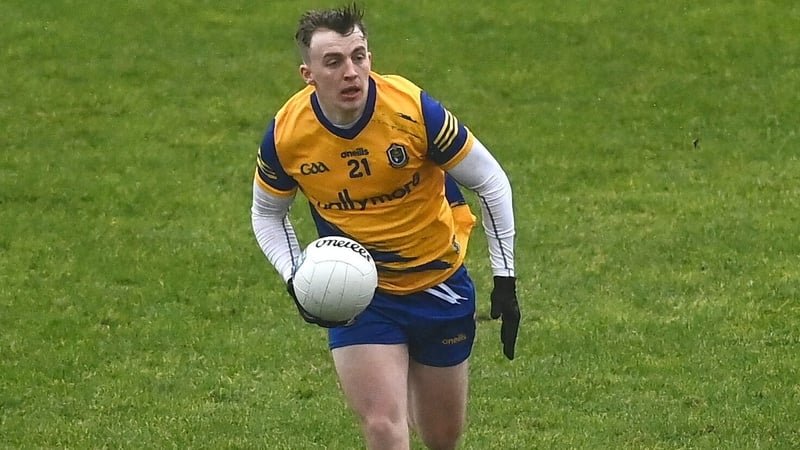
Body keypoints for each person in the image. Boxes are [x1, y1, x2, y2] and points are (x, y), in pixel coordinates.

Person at [250, 4, 519, 449]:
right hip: (359, 295)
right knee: (382, 425)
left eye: (358, 57)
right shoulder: (287, 134)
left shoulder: (412, 110)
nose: (350, 72)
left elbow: (490, 182)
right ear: (308, 74)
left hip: (439, 283)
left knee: (442, 438)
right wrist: (295, 275)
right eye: (333, 62)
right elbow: (266, 213)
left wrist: (505, 278)